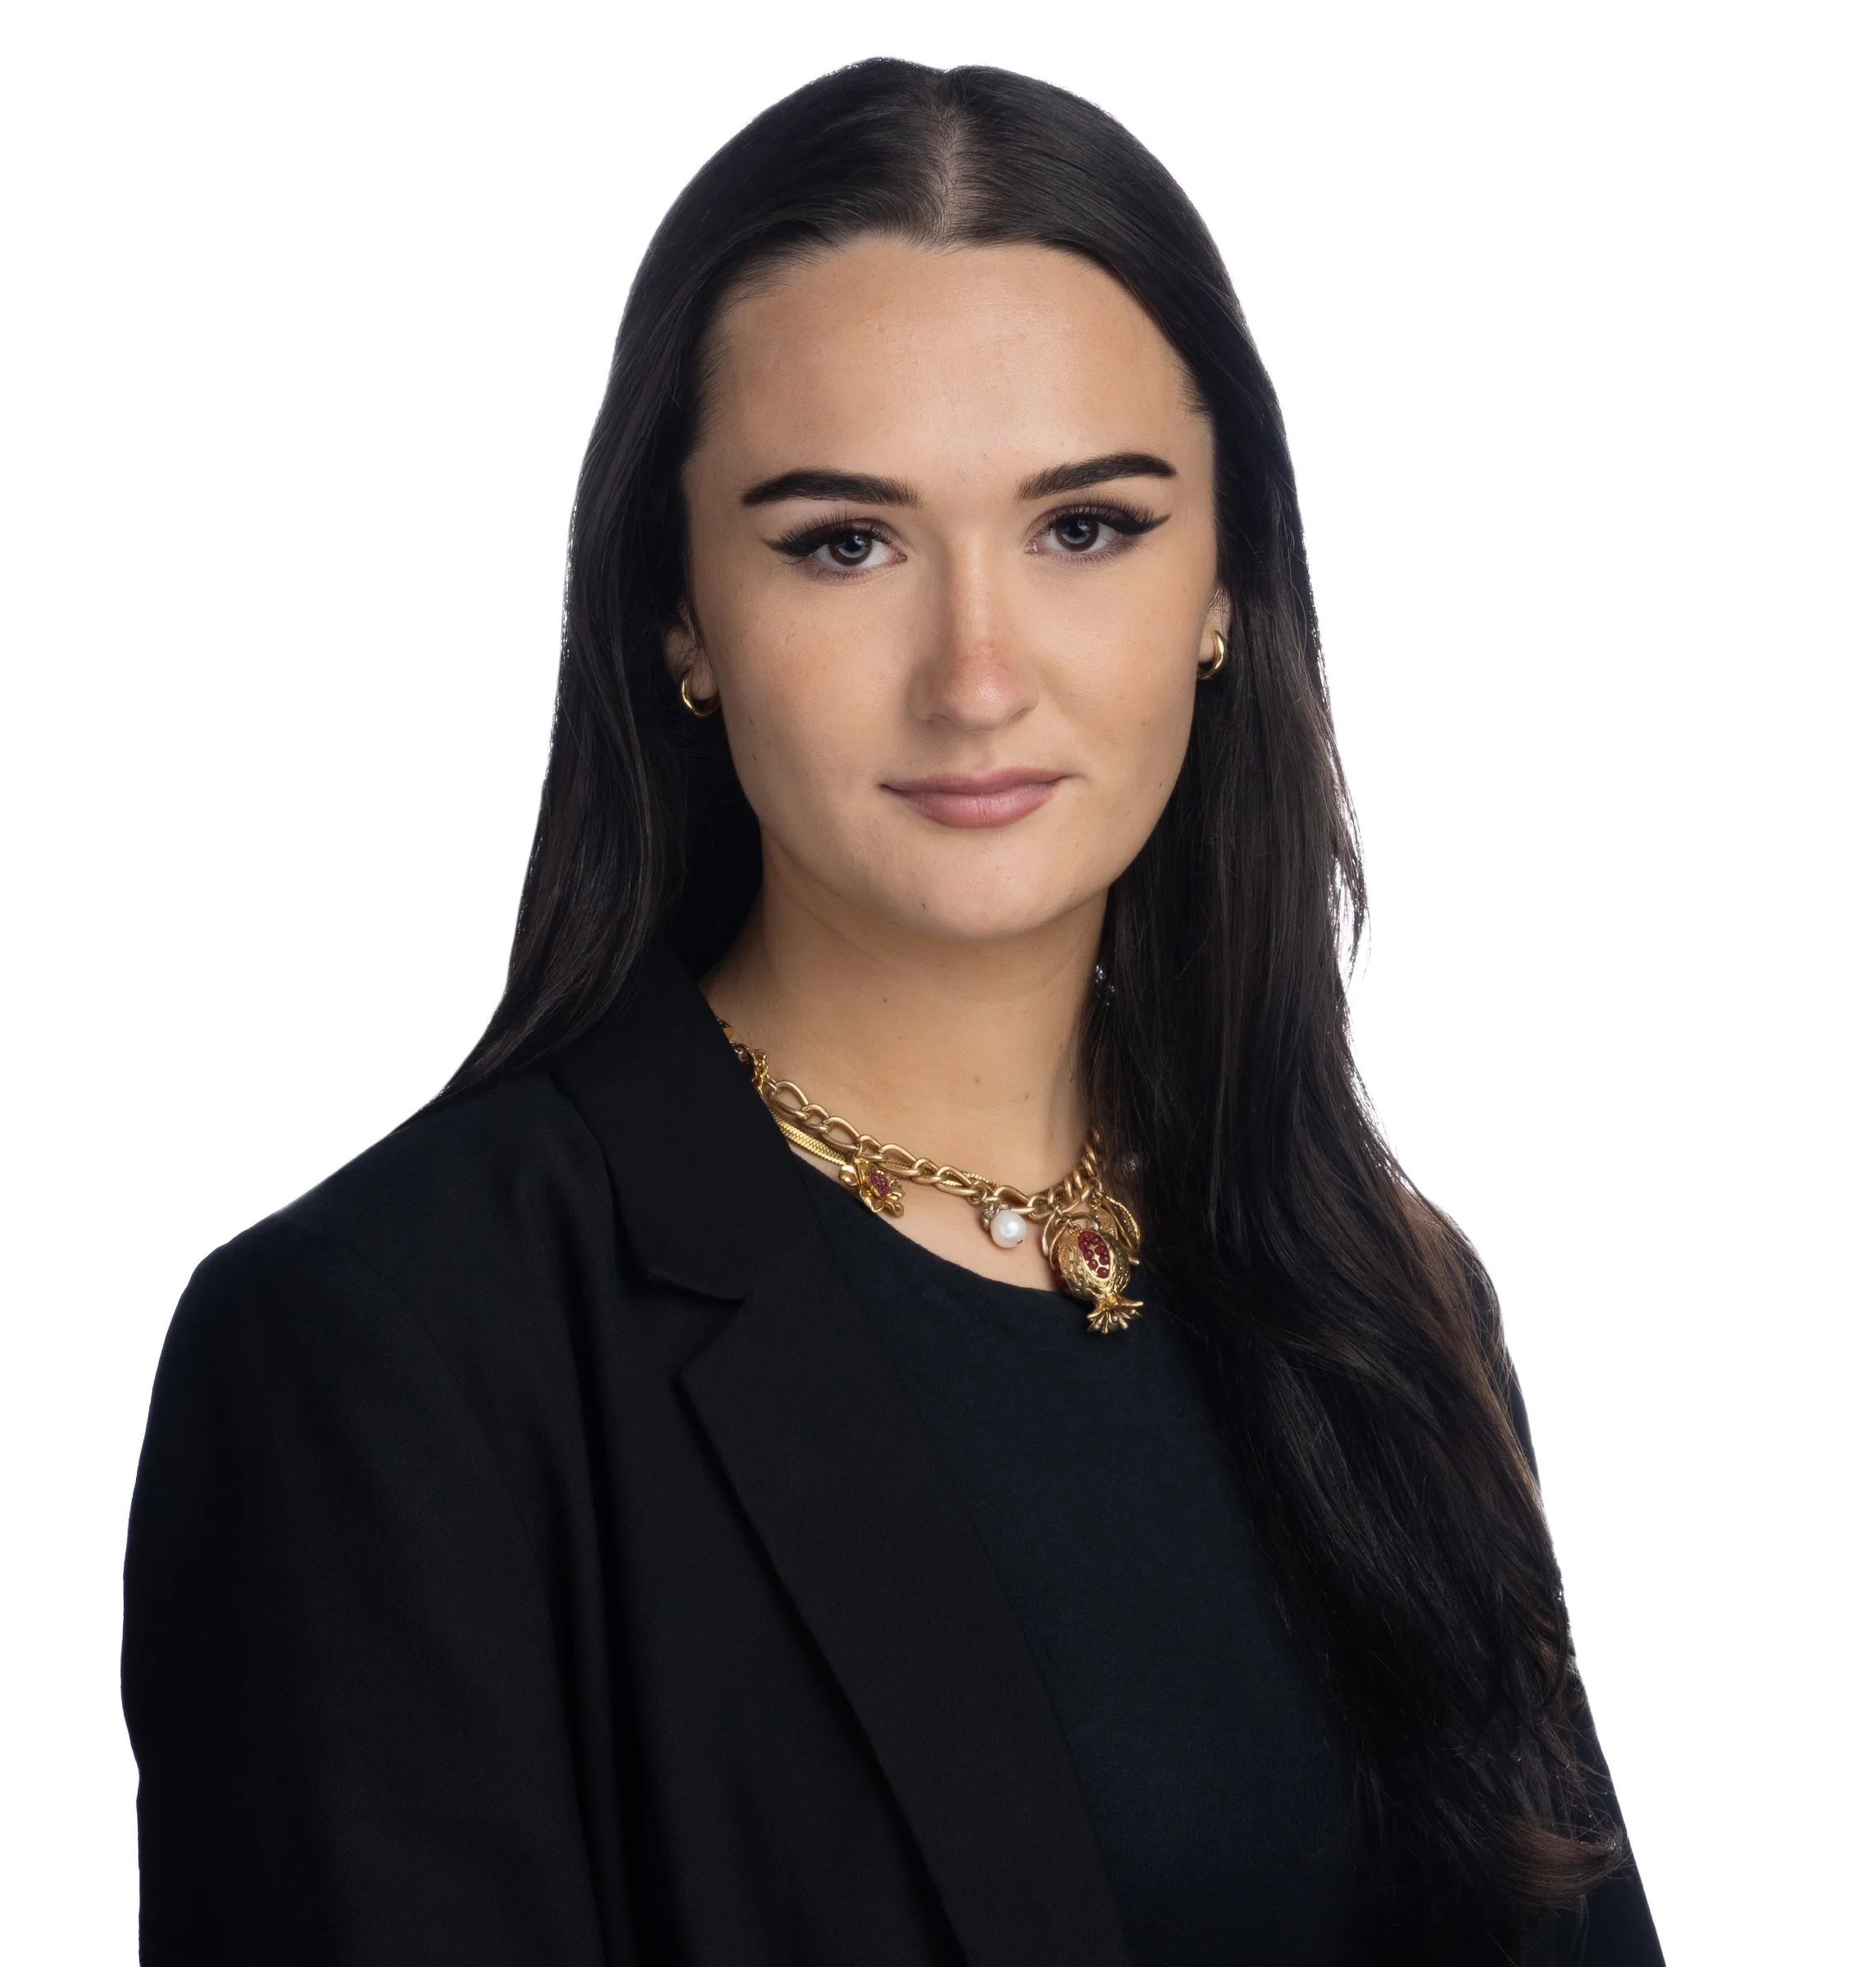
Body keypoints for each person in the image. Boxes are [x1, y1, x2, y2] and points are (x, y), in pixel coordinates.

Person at [121, 58, 1665, 1967]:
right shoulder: (383, 1356)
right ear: (676, 613)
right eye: (842, 542)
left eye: (1085, 526)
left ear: (1227, 583)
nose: (979, 675)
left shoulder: (1389, 1297)